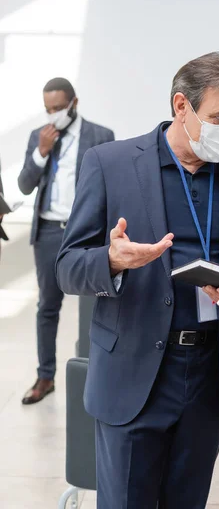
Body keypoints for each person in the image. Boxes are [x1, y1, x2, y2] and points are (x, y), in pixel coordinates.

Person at [55, 52, 219, 509]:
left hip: (208, 380)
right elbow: (67, 267)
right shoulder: (110, 164)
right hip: (133, 375)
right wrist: (111, 261)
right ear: (181, 105)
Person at [18, 78, 114, 405]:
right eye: (48, 110)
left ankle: (95, 372)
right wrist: (41, 153)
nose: (53, 115)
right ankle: (46, 376)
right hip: (47, 231)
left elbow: (110, 189)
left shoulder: (101, 136)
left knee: (93, 304)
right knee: (47, 306)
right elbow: (25, 184)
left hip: (85, 232)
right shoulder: (39, 137)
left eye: (59, 108)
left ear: (74, 103)